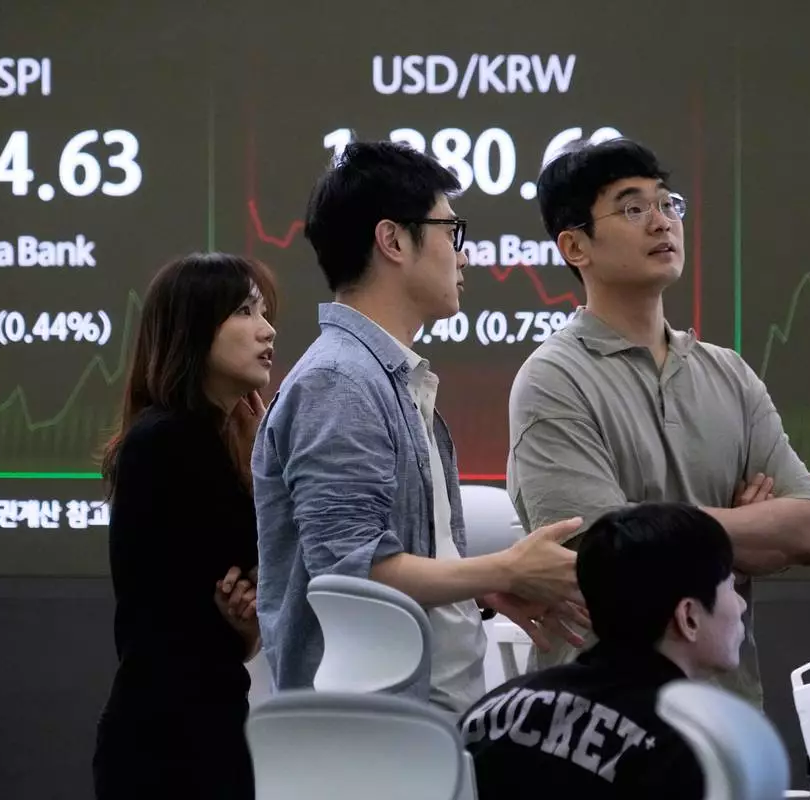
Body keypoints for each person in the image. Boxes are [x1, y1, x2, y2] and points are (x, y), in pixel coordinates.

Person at [252, 140, 588, 716]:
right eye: (451, 232)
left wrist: (477, 585)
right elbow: (354, 574)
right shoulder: (340, 382)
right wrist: (506, 565)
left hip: (418, 726)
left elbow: (389, 551)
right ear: (394, 240)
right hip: (375, 738)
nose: (463, 257)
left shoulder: (384, 377)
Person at [507, 137, 810, 705]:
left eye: (667, 203)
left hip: (727, 707)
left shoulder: (728, 372)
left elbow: (804, 529)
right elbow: (607, 561)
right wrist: (738, 531)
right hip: (602, 720)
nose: (662, 222)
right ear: (575, 246)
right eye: (633, 208)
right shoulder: (553, 379)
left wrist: (658, 528)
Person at [92, 252, 277, 800]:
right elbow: (279, 547)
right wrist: (263, 461)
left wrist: (243, 629)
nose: (267, 330)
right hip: (168, 747)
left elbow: (211, 609)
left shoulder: (199, 440)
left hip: (200, 729)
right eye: (245, 312)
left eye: (264, 312)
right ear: (194, 328)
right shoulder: (170, 439)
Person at [460, 503, 749, 798]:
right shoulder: (691, 749)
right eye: (730, 587)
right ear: (688, 617)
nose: (741, 605)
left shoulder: (492, 712)